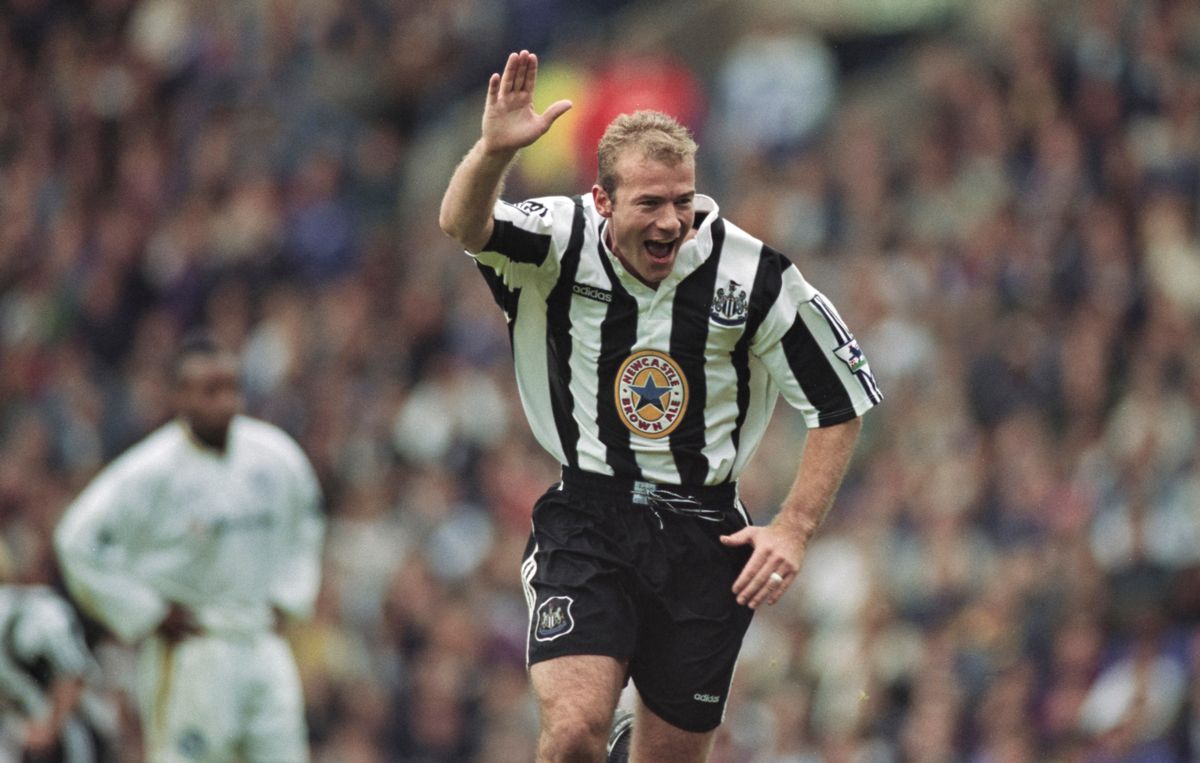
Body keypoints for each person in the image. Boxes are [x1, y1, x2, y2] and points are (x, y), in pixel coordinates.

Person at [439, 51, 882, 762]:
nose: (673, 222)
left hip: (704, 534)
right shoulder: (560, 238)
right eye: (650, 202)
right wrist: (493, 152)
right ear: (604, 200)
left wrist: (794, 527)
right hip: (590, 515)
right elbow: (464, 225)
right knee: (575, 729)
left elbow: (839, 402)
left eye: (684, 200)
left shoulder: (754, 276)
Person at [54, 332, 326, 763]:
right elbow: (77, 539)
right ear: (179, 396)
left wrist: (289, 596)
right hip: (195, 650)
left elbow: (307, 521)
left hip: (263, 641)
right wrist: (148, 611)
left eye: (231, 388)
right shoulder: (150, 472)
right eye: (209, 390)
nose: (223, 402)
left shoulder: (276, 457)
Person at [0, 583, 110, 763]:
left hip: (66, 724)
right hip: (19, 723)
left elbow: (74, 675)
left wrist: (50, 727)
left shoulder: (45, 613)